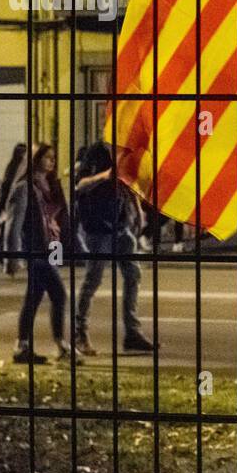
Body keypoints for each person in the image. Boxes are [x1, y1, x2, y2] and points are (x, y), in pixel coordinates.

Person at [72, 142, 155, 356]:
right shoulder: (95, 152)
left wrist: (137, 211)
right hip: (98, 226)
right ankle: (79, 333)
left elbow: (128, 184)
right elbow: (79, 186)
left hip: (121, 223)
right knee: (93, 278)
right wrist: (103, 176)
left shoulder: (125, 151)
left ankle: (132, 332)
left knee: (133, 273)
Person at [13, 143, 72, 364]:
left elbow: (58, 215)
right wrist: (13, 257)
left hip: (50, 246)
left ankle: (22, 346)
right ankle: (61, 345)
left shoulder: (49, 185)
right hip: (35, 250)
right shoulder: (27, 187)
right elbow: (15, 224)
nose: (52, 161)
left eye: (53, 158)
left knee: (34, 298)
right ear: (36, 159)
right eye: (47, 157)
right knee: (59, 294)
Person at [0, 142, 28, 275]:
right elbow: (6, 187)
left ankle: (7, 259)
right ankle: (12, 261)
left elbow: (5, 186)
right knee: (13, 232)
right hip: (13, 202)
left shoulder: (12, 167)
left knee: (9, 232)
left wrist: (1, 206)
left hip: (11, 202)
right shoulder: (21, 168)